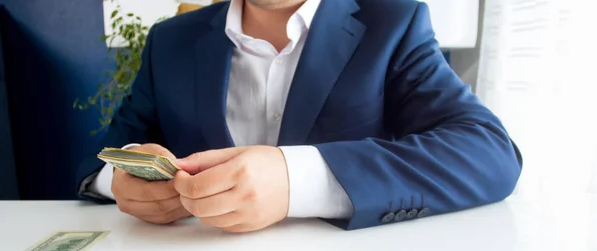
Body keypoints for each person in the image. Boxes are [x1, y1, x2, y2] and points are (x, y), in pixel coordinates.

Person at [76, 0, 523, 233]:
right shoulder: (169, 41)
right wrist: (119, 179)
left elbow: (489, 152)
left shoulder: (395, 25)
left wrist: (298, 180)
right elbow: (99, 161)